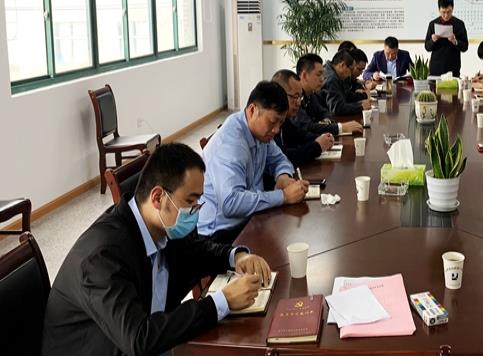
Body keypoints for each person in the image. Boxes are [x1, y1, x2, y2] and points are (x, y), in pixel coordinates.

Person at [42, 143, 272, 355]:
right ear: (158, 197)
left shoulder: (160, 224)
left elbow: (196, 251)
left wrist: (236, 257)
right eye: (190, 201)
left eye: (198, 202)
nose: (195, 211)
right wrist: (222, 302)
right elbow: (139, 339)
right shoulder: (102, 256)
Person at [198, 81, 309, 243]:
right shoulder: (231, 145)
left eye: (281, 123)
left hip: (250, 218)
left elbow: (279, 158)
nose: (276, 130)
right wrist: (283, 196)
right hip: (221, 234)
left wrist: (283, 176)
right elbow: (231, 203)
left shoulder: (260, 133)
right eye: (272, 122)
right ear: (252, 111)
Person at [272, 69, 335, 166]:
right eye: (295, 97)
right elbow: (284, 156)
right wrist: (317, 146)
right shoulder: (271, 123)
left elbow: (300, 136)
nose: (298, 103)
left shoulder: (285, 120)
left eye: (300, 97)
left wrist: (323, 138)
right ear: (279, 94)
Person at [293, 53, 362, 137]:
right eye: (318, 74)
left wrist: (326, 120)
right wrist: (341, 127)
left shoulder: (311, 94)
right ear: (304, 75)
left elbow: (325, 112)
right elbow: (308, 126)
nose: (322, 79)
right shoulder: (294, 98)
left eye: (322, 74)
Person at [424, 0, 468, 77]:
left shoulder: (459, 24)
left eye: (449, 12)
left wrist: (455, 41)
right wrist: (432, 40)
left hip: (453, 68)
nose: (446, 15)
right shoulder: (432, 24)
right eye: (443, 12)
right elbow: (427, 47)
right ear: (439, 10)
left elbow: (465, 47)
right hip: (436, 68)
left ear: (452, 9)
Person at [323, 50, 372, 116]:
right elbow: (336, 108)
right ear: (342, 65)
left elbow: (346, 96)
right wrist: (360, 106)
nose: (350, 74)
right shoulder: (331, 79)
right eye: (351, 69)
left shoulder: (335, 74)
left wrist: (361, 100)